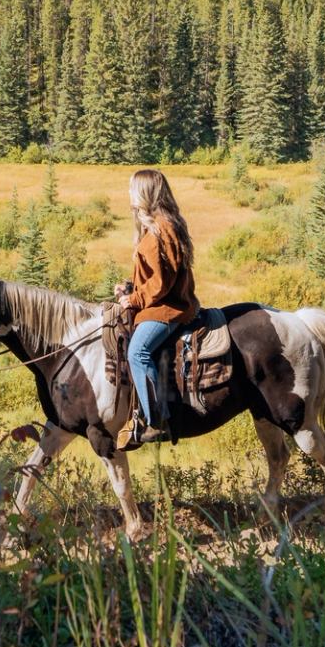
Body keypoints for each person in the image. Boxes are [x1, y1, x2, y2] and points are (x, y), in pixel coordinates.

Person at [116, 168, 201, 451]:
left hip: (167, 308)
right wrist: (131, 288)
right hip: (163, 302)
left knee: (137, 352)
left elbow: (161, 284)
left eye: (132, 190)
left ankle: (157, 419)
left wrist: (136, 299)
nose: (129, 195)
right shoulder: (162, 224)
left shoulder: (160, 229)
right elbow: (154, 276)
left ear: (144, 193)